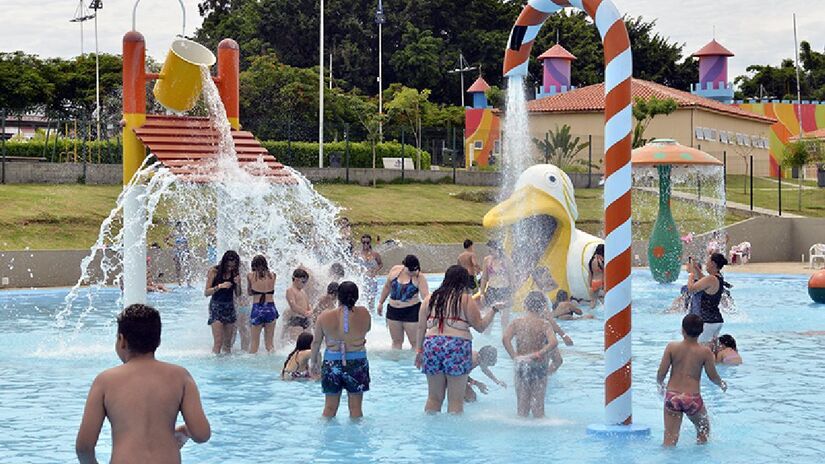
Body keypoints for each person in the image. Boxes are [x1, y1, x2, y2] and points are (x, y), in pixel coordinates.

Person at [76, 304, 210, 463]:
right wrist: (185, 431)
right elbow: (202, 434)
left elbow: (84, 446)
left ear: (121, 340)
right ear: (158, 341)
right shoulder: (180, 376)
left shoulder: (105, 381)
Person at [415, 265, 498, 414]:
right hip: (456, 345)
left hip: (432, 344)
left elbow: (421, 328)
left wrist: (419, 351)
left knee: (433, 398)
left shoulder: (430, 298)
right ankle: (452, 437)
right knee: (455, 400)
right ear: (464, 281)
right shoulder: (465, 299)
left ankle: (431, 432)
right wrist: (493, 311)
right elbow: (480, 326)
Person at [656, 314, 727, 447]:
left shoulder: (672, 347)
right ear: (701, 331)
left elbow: (661, 372)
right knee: (704, 431)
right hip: (692, 398)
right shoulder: (705, 352)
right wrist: (721, 383)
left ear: (682, 330)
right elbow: (712, 376)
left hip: (672, 396)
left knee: (669, 439)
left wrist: (660, 384)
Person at [310, 281, 372, 418]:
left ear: (338, 296)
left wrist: (313, 362)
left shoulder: (324, 316)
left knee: (329, 408)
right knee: (356, 409)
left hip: (332, 363)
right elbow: (367, 329)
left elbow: (316, 342)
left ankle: (326, 438)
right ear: (356, 296)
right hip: (357, 361)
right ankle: (357, 439)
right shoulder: (364, 313)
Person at [502, 291, 559, 418]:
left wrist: (514, 357)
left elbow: (505, 339)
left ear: (525, 305)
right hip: (539, 364)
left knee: (522, 408)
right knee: (538, 408)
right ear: (543, 307)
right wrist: (540, 353)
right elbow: (553, 342)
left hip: (522, 364)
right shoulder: (544, 324)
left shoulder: (517, 322)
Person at [378, 255, 430, 350]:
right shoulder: (395, 271)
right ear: (404, 265)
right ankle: (396, 364)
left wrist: (429, 311)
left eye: (414, 270)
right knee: (396, 341)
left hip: (411, 311)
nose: (412, 272)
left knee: (414, 342)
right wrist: (381, 303)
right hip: (393, 311)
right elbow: (387, 287)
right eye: (410, 270)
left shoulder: (419, 277)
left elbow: (425, 296)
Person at [687, 253, 728, 350]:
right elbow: (704, 281)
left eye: (708, 262)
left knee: (700, 351)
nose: (706, 264)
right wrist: (697, 269)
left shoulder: (711, 279)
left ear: (713, 263)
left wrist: (691, 274)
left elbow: (691, 288)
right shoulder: (717, 277)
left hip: (708, 322)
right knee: (710, 353)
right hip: (715, 321)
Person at [204, 250, 242, 354]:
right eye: (228, 266)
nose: (230, 268)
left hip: (229, 307)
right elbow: (206, 292)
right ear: (224, 263)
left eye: (233, 266)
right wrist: (219, 286)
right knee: (218, 342)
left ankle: (226, 369)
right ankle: (216, 367)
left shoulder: (235, 273)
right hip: (216, 307)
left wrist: (238, 284)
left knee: (228, 344)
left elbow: (238, 294)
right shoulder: (214, 271)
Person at [479, 240, 515, 327]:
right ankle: (487, 339)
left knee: (505, 320)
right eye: (489, 251)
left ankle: (503, 337)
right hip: (491, 290)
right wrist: (482, 294)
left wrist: (512, 295)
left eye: (491, 251)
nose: (490, 253)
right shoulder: (487, 260)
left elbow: (512, 278)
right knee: (488, 319)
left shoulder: (507, 260)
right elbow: (484, 278)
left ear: (498, 249)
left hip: (505, 290)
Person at [247, 255, 278, 354]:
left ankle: (251, 367)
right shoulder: (273, 275)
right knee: (270, 344)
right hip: (271, 308)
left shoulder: (250, 276)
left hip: (258, 308)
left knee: (254, 344)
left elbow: (250, 292)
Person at [285, 268, 314, 341]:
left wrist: (310, 311)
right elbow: (293, 306)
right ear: (296, 279)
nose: (305, 284)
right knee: (295, 345)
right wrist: (305, 313)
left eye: (306, 282)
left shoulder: (303, 291)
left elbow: (308, 304)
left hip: (306, 320)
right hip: (296, 320)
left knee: (307, 345)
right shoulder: (290, 290)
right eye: (303, 281)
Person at [358, 234, 383, 310]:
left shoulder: (375, 254)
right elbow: (354, 265)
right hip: (362, 279)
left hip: (372, 280)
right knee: (361, 298)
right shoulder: (358, 254)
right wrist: (359, 271)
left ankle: (371, 316)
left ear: (370, 243)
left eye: (367, 243)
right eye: (364, 243)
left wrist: (375, 271)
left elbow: (380, 264)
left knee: (371, 300)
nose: (366, 244)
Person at [166, 221, 191, 287]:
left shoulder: (185, 233)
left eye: (182, 226)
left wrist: (188, 253)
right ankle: (179, 283)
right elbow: (165, 240)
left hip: (184, 252)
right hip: (177, 252)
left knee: (187, 267)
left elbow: (186, 244)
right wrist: (173, 246)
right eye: (179, 226)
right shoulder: (174, 233)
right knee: (178, 267)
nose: (181, 227)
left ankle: (188, 283)